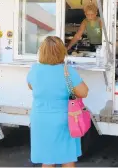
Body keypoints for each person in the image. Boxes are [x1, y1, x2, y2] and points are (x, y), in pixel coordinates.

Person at [27, 36, 89, 167]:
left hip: (40, 119)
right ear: (62, 52)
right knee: (67, 157)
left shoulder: (35, 70)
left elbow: (31, 86)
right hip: (64, 119)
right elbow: (84, 92)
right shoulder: (68, 71)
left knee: (48, 158)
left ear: (42, 52)